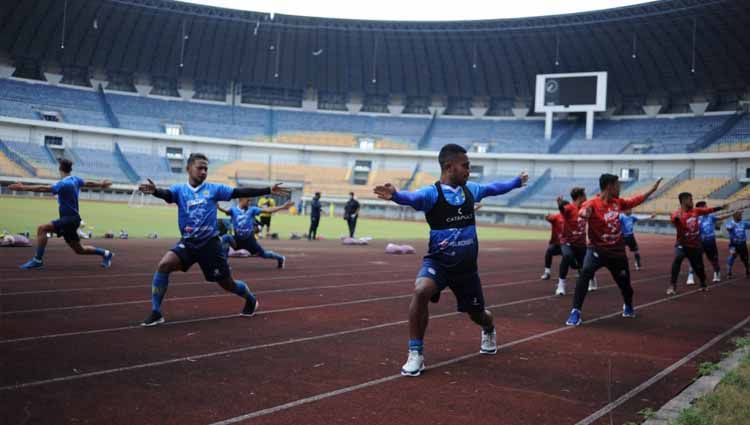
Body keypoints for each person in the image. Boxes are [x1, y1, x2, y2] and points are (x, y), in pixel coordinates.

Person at [374, 144, 528, 377]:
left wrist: (515, 182)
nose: (468, 171)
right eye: (465, 166)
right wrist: (396, 196)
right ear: (449, 167)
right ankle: (415, 353)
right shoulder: (431, 194)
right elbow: (412, 198)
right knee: (421, 290)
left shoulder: (471, 190)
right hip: (439, 263)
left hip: (466, 271)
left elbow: (493, 188)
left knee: (478, 315)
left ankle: (488, 328)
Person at [137, 153, 290, 327]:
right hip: (188, 243)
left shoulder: (214, 189)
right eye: (199, 168)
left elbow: (239, 192)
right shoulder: (180, 190)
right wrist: (155, 191)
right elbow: (167, 194)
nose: (203, 172)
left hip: (210, 246)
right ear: (188, 169)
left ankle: (250, 298)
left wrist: (267, 189)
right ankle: (156, 312)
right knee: (164, 264)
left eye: (206, 169)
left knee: (228, 284)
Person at [565, 174, 662, 326]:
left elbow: (635, 200)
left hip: (617, 252)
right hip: (596, 250)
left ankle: (628, 306)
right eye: (618, 185)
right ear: (609, 186)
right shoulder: (592, 203)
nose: (620, 188)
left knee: (626, 287)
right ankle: (575, 311)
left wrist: (652, 190)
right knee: (584, 275)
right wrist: (585, 214)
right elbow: (583, 211)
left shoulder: (618, 202)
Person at [12, 158, 114, 270]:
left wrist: (23, 187)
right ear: (70, 169)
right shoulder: (75, 179)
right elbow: (88, 183)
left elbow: (43, 188)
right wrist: (100, 184)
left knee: (42, 229)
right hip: (73, 219)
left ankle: (37, 260)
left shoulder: (63, 184)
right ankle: (106, 253)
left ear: (60, 169)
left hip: (69, 219)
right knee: (79, 250)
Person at [667, 193, 725, 295]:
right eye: (690, 199)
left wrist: (721, 207)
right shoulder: (678, 214)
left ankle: (703, 282)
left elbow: (708, 210)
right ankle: (672, 285)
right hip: (682, 244)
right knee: (677, 259)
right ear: (684, 201)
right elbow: (673, 219)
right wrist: (675, 220)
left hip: (694, 246)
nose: (692, 201)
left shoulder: (696, 211)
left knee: (698, 267)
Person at [218, 198, 292, 269]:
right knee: (225, 237)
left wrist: (283, 206)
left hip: (250, 241)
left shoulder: (252, 209)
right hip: (237, 240)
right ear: (241, 199)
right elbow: (225, 211)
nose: (249, 202)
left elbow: (267, 210)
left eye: (250, 201)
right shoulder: (233, 210)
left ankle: (280, 258)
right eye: (248, 200)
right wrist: (218, 207)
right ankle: (224, 264)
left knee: (264, 254)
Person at [555, 188, 596, 295]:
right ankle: (561, 285)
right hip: (567, 241)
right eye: (585, 195)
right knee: (567, 256)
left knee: (585, 266)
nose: (586, 197)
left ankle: (591, 279)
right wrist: (559, 205)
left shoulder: (586, 208)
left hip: (581, 243)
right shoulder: (570, 207)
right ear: (580, 197)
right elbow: (563, 210)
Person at [685, 201, 730, 284]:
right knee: (694, 259)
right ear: (700, 209)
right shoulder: (695, 217)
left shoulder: (711, 216)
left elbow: (720, 218)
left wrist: (730, 214)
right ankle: (690, 276)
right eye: (705, 207)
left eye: (707, 207)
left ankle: (717, 273)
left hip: (710, 241)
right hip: (699, 241)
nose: (707, 208)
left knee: (714, 259)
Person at [725, 210, 750, 279]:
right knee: (732, 256)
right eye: (739, 215)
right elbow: (728, 228)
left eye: (741, 215)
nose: (741, 217)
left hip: (742, 244)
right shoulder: (730, 223)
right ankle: (729, 272)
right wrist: (734, 224)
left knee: (745, 259)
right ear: (735, 216)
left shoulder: (744, 223)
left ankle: (747, 271)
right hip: (734, 244)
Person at [541, 210, 565, 281]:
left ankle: (580, 270)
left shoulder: (571, 216)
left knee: (573, 263)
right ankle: (547, 272)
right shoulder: (557, 216)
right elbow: (549, 218)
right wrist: (547, 216)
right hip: (557, 244)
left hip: (568, 245)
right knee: (549, 251)